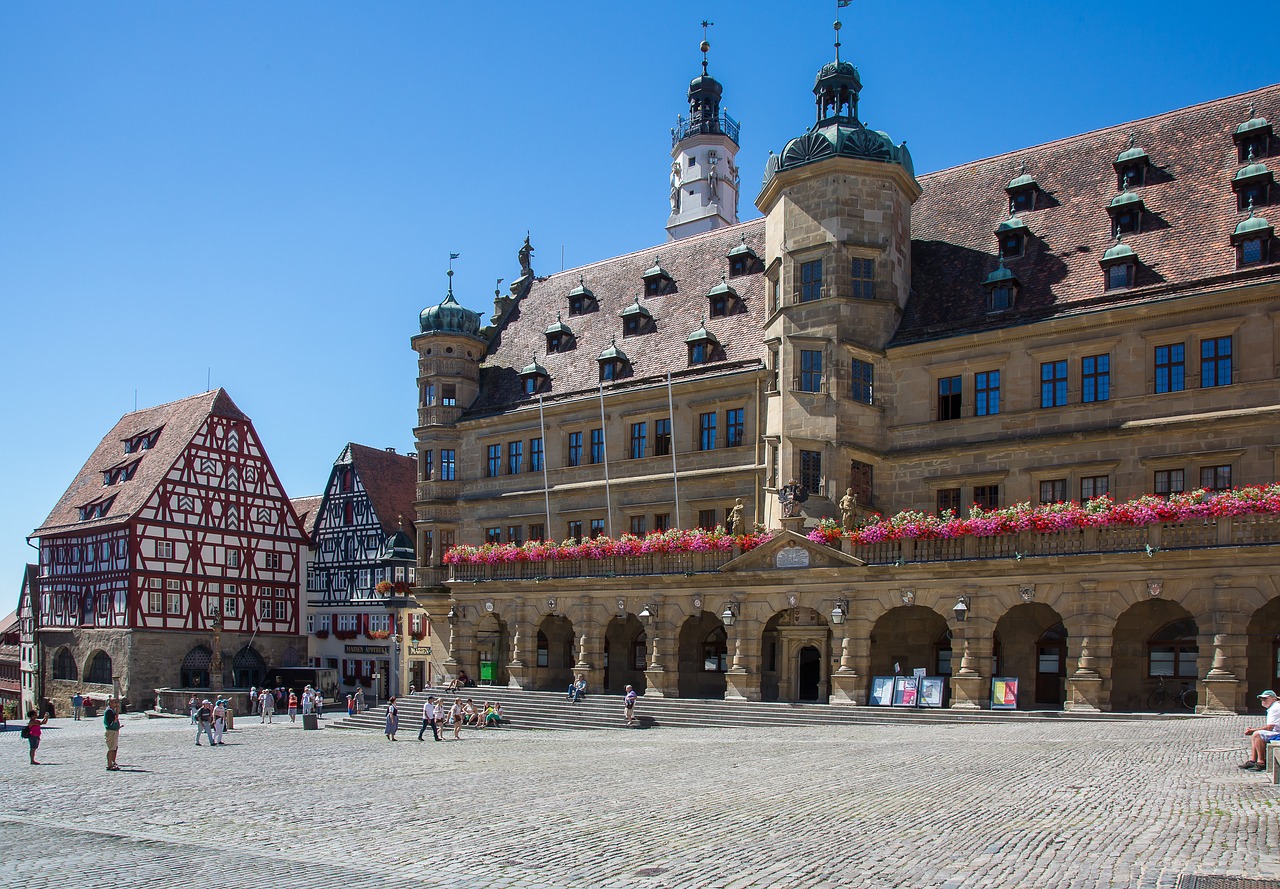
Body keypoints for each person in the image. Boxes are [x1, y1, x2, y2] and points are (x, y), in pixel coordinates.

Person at [1241, 689, 1280, 771]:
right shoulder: (1274, 706)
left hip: (1278, 734)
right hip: (1277, 732)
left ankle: (1261, 762)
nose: (1263, 701)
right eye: (1261, 699)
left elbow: (1270, 727)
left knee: (1257, 734)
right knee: (1256, 734)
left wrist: (1252, 730)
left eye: (1265, 699)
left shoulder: (1275, 708)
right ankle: (1252, 760)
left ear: (1273, 699)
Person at [103, 697, 122, 770]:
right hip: (111, 732)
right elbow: (114, 719)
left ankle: (113, 762)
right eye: (115, 703)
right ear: (110, 703)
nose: (116, 704)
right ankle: (109, 764)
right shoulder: (109, 711)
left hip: (114, 731)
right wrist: (117, 711)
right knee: (111, 748)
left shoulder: (111, 710)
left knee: (114, 748)